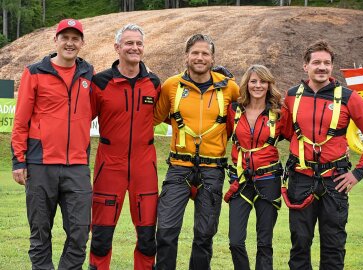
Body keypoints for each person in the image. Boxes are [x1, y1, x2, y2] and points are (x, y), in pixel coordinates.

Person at [281, 40, 363, 269]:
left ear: (332, 67)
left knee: (333, 245)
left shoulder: (348, 97)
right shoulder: (291, 96)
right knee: (299, 244)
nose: (322, 67)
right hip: (300, 179)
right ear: (305, 66)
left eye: (327, 63)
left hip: (335, 181)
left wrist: (357, 174)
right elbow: (286, 131)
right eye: (316, 62)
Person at [11, 18, 94, 269]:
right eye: (65, 38)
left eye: (75, 38)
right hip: (41, 165)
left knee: (80, 233)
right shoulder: (34, 72)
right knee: (40, 235)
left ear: (81, 43)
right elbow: (21, 120)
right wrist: (19, 160)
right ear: (55, 40)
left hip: (77, 166)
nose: (70, 43)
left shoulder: (88, 73)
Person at [154, 34, 239, 270]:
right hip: (179, 167)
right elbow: (153, 117)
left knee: (204, 235)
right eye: (195, 53)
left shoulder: (229, 87)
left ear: (213, 58)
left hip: (213, 169)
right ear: (186, 56)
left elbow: (250, 113)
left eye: (205, 53)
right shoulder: (172, 85)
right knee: (167, 230)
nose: (200, 57)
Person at [88, 24, 161, 270]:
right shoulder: (100, 83)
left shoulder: (154, 82)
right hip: (109, 167)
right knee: (100, 238)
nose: (134, 47)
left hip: (145, 167)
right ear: (117, 47)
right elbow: (77, 121)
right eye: (129, 43)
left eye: (139, 43)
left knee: (148, 239)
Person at [224, 65, 283, 270]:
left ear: (269, 84)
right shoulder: (233, 110)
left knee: (264, 243)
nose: (258, 85)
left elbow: (300, 136)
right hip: (240, 181)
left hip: (269, 180)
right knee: (235, 241)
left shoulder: (278, 113)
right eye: (253, 81)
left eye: (263, 81)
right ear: (246, 84)